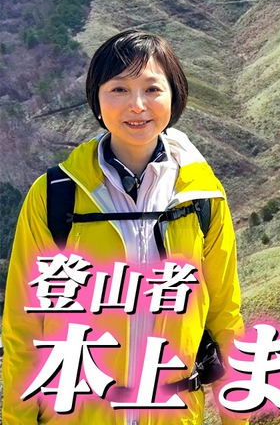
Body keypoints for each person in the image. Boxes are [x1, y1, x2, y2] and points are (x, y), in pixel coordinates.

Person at [2, 30, 245, 424]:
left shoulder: (202, 196)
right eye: (118, 89)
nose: (137, 105)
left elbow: (223, 314)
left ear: (174, 96)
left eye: (152, 89)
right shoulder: (55, 197)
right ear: (97, 99)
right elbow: (23, 327)